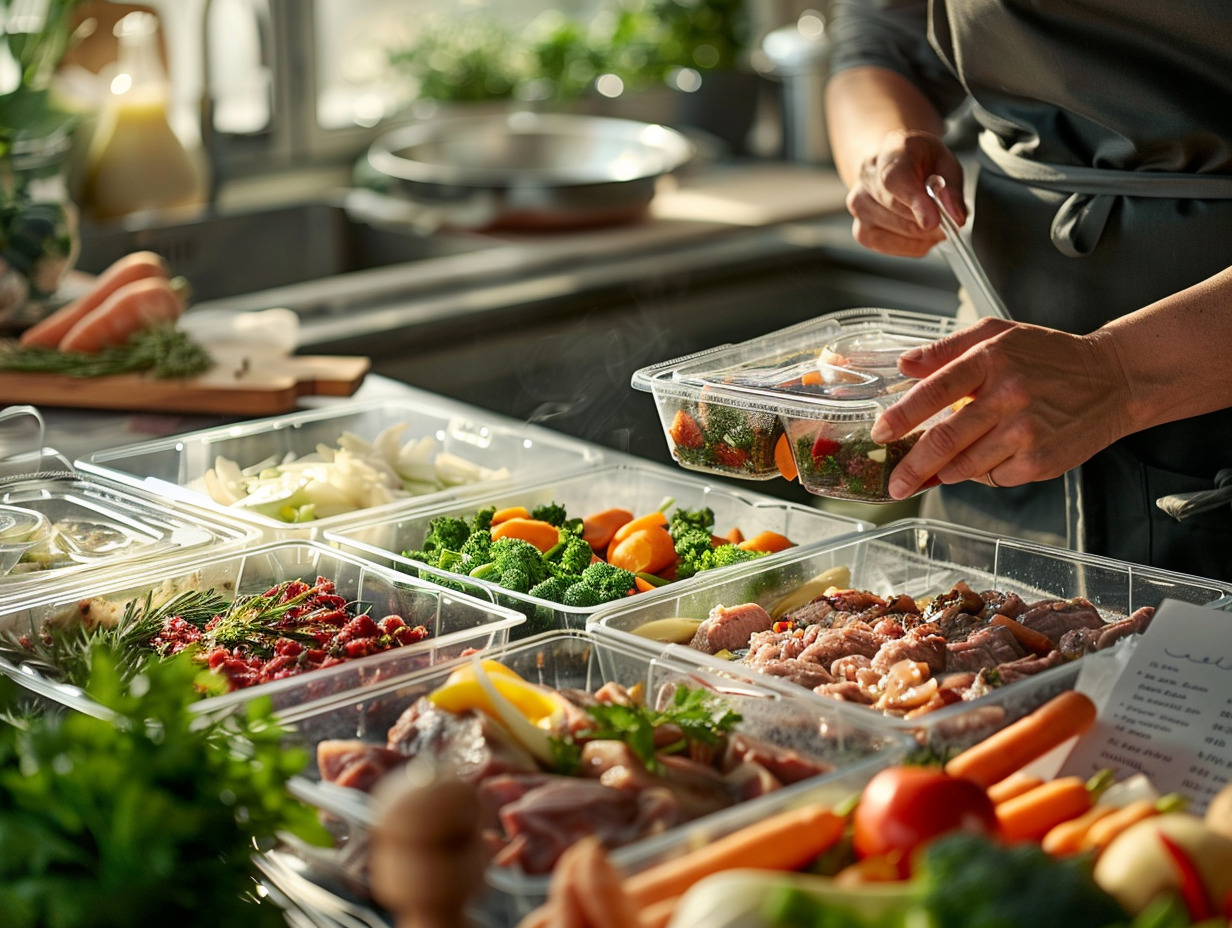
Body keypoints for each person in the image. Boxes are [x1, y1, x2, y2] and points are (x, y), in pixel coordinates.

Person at [822, 0, 1232, 581]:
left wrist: (1116, 374)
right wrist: (881, 151)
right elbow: (882, 38)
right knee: (974, 650)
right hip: (989, 410)